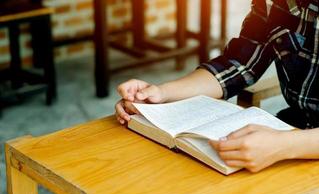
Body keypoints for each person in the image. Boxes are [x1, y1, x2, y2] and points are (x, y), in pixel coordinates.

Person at [115, 0, 319, 173]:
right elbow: (236, 66)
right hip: (292, 128)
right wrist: (162, 93)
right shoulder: (272, 4)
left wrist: (284, 145)